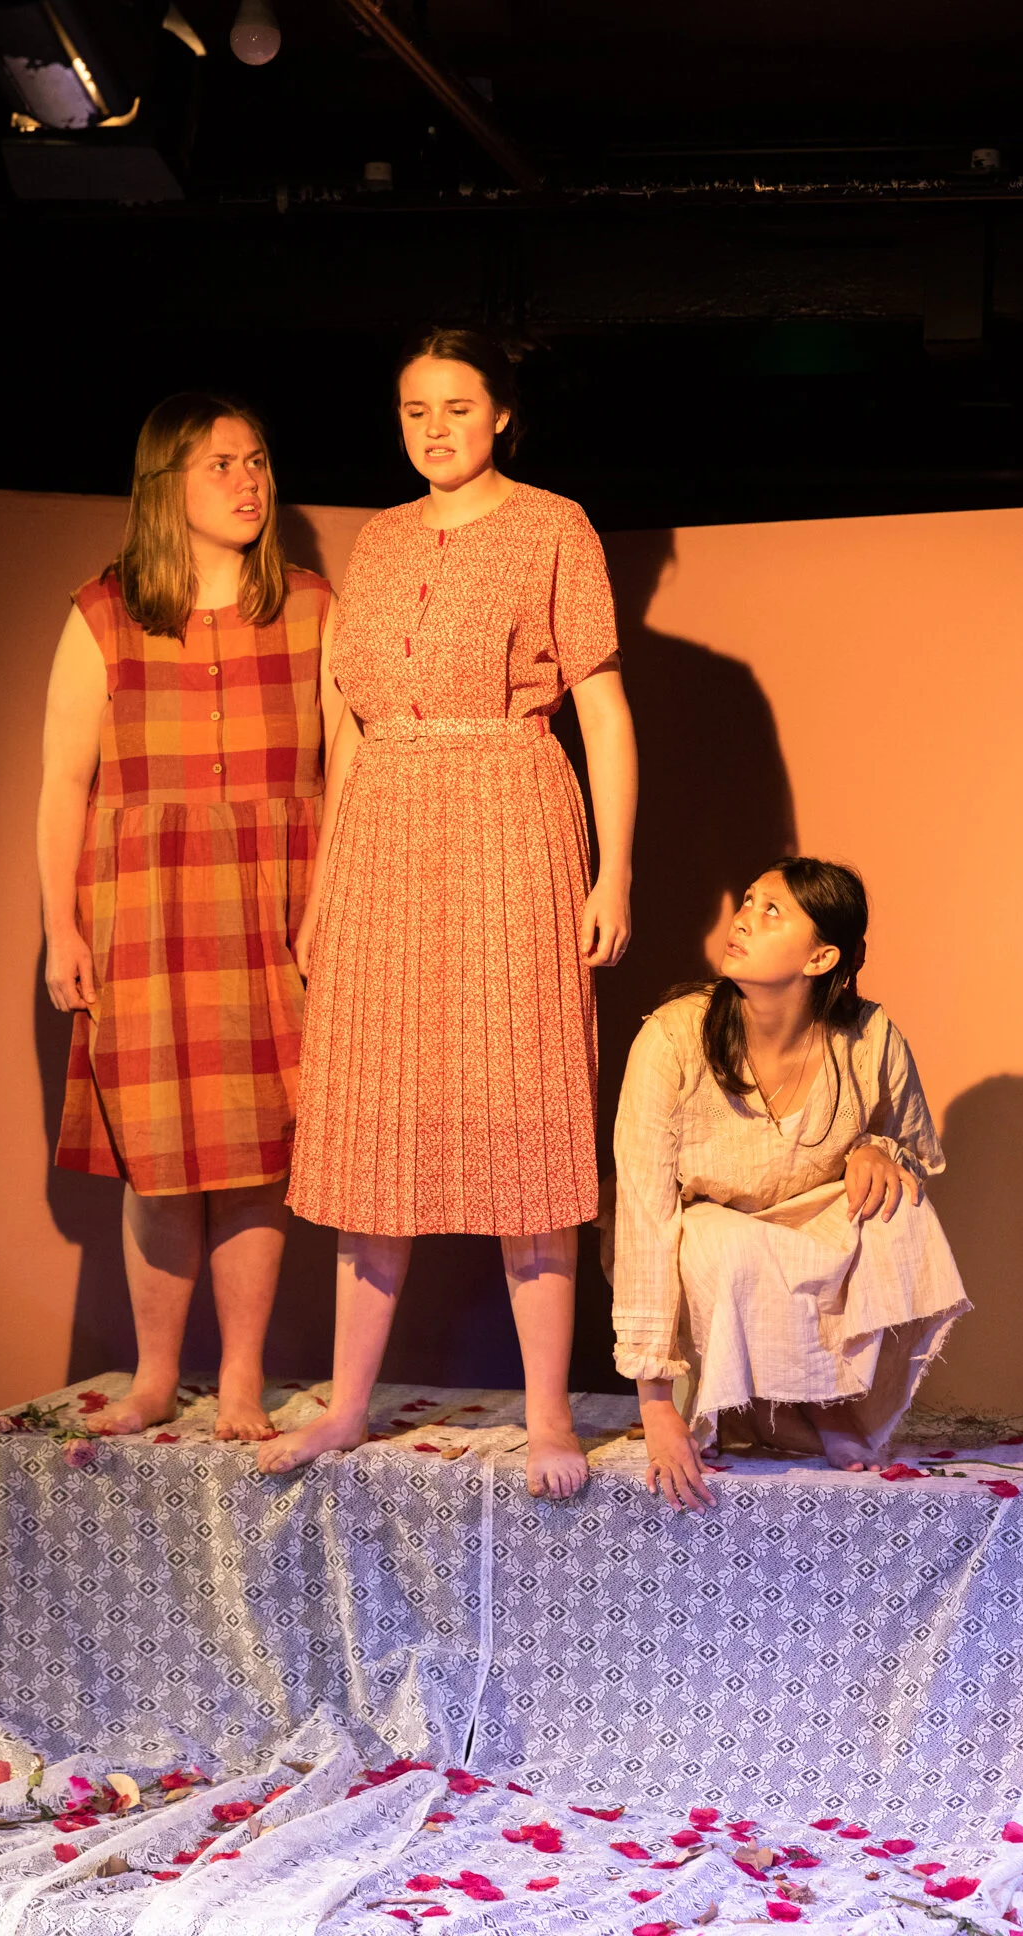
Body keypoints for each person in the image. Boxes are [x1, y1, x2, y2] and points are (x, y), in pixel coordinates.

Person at [257, 327, 640, 1498]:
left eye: (457, 406)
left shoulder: (554, 525)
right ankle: (345, 1403)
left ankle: (548, 1414)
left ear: (501, 413)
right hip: (384, 829)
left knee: (528, 1110)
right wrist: (328, 887)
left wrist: (614, 871)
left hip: (510, 810)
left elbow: (602, 708)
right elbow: (350, 730)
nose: (435, 428)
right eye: (415, 408)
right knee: (369, 1120)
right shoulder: (377, 537)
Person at [39, 391, 342, 1439]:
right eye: (222, 464)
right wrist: (61, 927)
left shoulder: (310, 604)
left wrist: (327, 901)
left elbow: (347, 765)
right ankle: (156, 1377)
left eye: (257, 460)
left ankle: (244, 1379)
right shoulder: (104, 611)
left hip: (274, 899)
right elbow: (63, 782)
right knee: (159, 1155)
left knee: (260, 1152)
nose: (249, 481)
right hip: (147, 906)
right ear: (166, 483)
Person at [609, 857, 969, 1512]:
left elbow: (920, 1157)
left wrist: (876, 1149)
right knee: (722, 1241)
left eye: (771, 910)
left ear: (821, 957)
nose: (743, 919)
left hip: (807, 1238)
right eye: (747, 900)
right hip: (704, 1248)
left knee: (898, 1208)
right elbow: (644, 1216)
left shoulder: (869, 1038)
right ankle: (773, 1403)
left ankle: (826, 1398)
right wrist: (654, 1404)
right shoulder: (672, 1039)